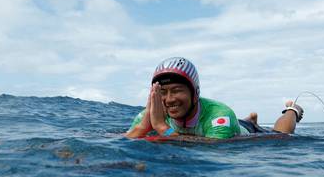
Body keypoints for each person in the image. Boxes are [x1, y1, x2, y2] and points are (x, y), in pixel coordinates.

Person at [125, 57, 304, 139]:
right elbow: (125, 141)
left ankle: (292, 109)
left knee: (283, 136)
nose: (169, 99)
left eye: (177, 90)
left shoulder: (220, 113)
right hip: (224, 125)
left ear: (195, 94)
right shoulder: (151, 114)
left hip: (236, 130)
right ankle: (250, 119)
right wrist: (143, 126)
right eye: (162, 92)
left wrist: (162, 127)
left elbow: (212, 146)